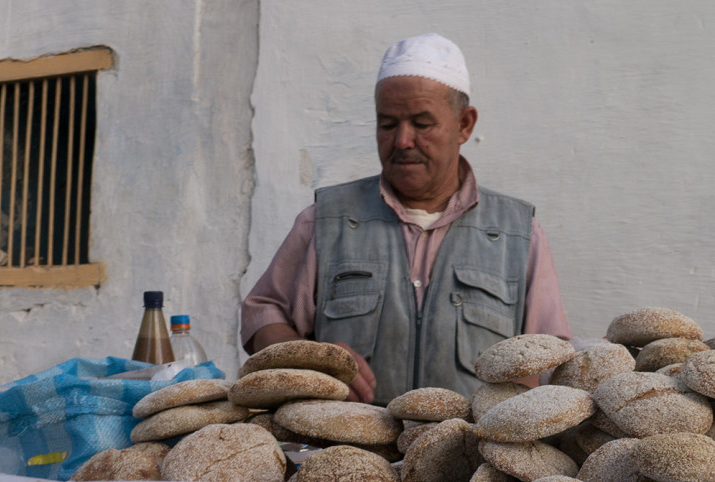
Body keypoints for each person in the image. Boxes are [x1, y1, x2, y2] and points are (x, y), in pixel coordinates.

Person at [240, 33, 572, 405]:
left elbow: (550, 361)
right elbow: (262, 313)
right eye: (387, 124)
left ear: (464, 124)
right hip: (346, 458)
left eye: (421, 123)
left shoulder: (517, 234)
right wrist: (309, 362)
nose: (401, 140)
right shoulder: (327, 221)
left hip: (468, 458)